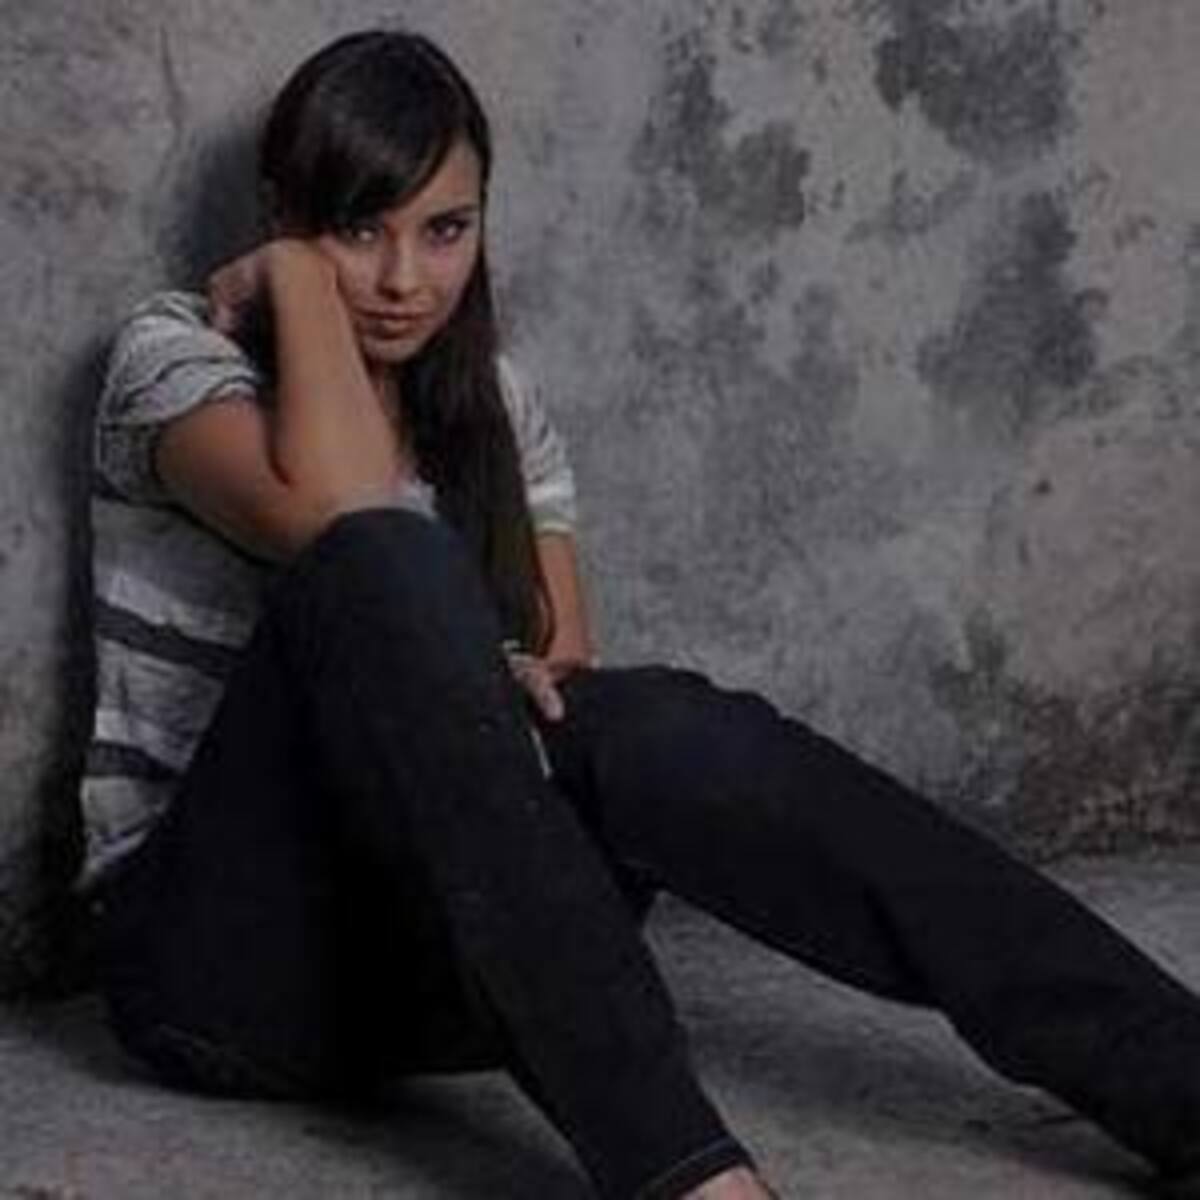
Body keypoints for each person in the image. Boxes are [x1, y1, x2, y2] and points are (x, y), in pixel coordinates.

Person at [79, 27, 1200, 1200]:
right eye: (360, 231)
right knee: (380, 560)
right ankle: (687, 1177)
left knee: (654, 726)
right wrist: (298, 285)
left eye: (446, 230)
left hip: (453, 958)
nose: (407, 280)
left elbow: (561, 699)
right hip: (218, 971)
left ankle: (1180, 1081)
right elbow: (341, 516)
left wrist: (493, 677)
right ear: (283, 214)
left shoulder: (493, 407)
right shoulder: (176, 358)